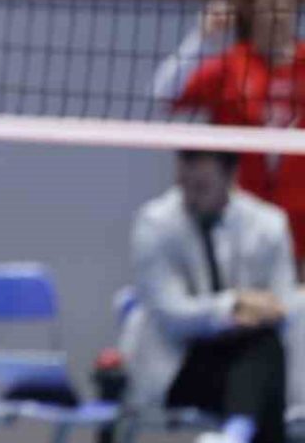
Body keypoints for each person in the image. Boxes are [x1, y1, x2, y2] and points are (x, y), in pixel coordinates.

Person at [123, 151, 293, 443]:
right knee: (264, 371)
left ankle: (235, 433)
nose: (190, 195)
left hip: (250, 364)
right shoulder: (154, 223)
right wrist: (234, 306)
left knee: (264, 352)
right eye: (183, 183)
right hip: (182, 366)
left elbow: (281, 306)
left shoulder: (268, 224)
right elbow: (173, 314)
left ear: (231, 177)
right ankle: (238, 431)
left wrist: (250, 313)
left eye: (202, 186)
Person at [154, 0, 305, 258]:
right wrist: (201, 38)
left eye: (286, 4)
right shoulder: (232, 65)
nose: (277, 15)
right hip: (241, 221)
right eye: (269, 4)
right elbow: (164, 95)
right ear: (251, 10)